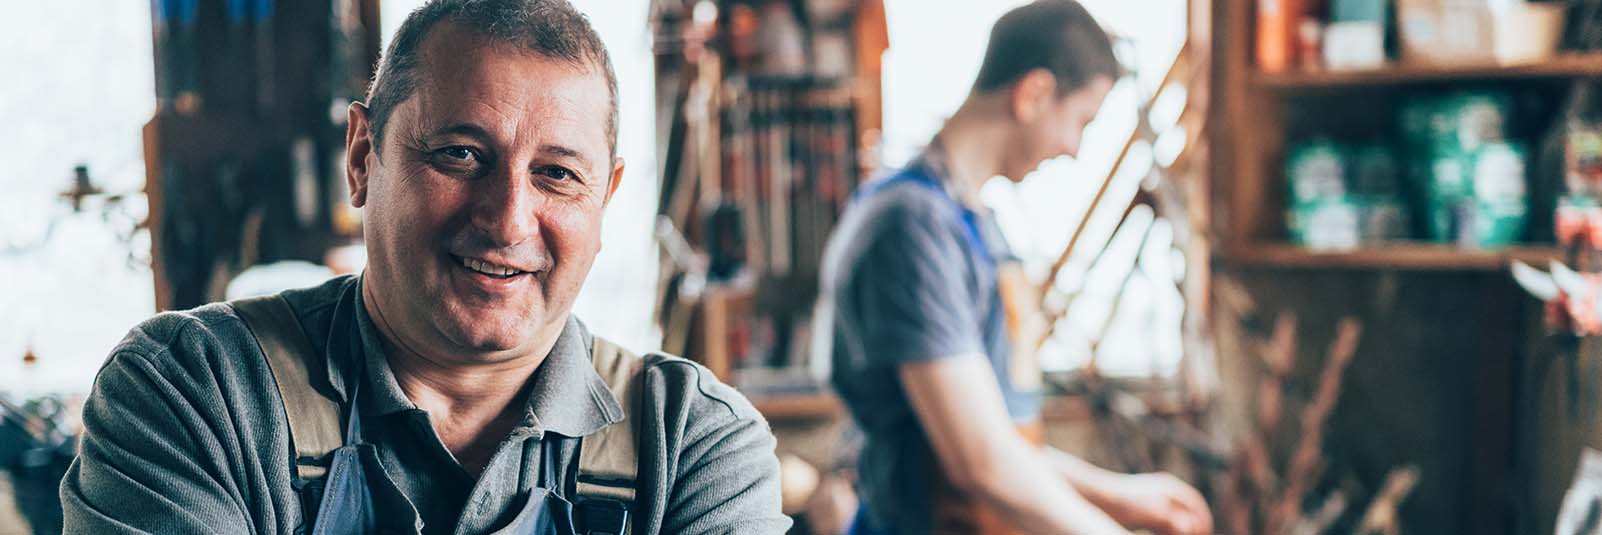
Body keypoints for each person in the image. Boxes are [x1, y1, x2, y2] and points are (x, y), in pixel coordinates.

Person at [59, 1, 790, 533]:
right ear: (361, 158)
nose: (507, 218)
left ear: (606, 199)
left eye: (558, 174)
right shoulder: (194, 393)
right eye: (459, 154)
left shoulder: (692, 445)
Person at [819, 1, 1213, 534]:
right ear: (1033, 94)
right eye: (1082, 121)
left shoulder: (975, 223)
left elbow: (1002, 440)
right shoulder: (911, 227)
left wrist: (1123, 497)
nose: (1074, 149)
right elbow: (979, 463)